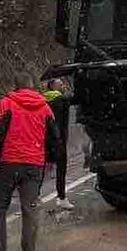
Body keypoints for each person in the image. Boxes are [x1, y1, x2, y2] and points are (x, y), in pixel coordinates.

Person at [0, 74, 60, 251]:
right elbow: (54, 137)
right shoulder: (45, 107)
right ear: (33, 87)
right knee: (30, 210)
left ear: (15, 87)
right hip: (34, 165)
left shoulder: (7, 104)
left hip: (9, 164)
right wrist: (50, 161)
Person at [42, 77, 74, 209]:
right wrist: (67, 91)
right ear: (54, 87)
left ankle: (34, 197)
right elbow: (73, 98)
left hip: (45, 139)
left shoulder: (43, 100)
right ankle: (62, 197)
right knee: (61, 169)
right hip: (59, 139)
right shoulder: (62, 99)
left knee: (41, 170)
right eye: (60, 85)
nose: (63, 86)